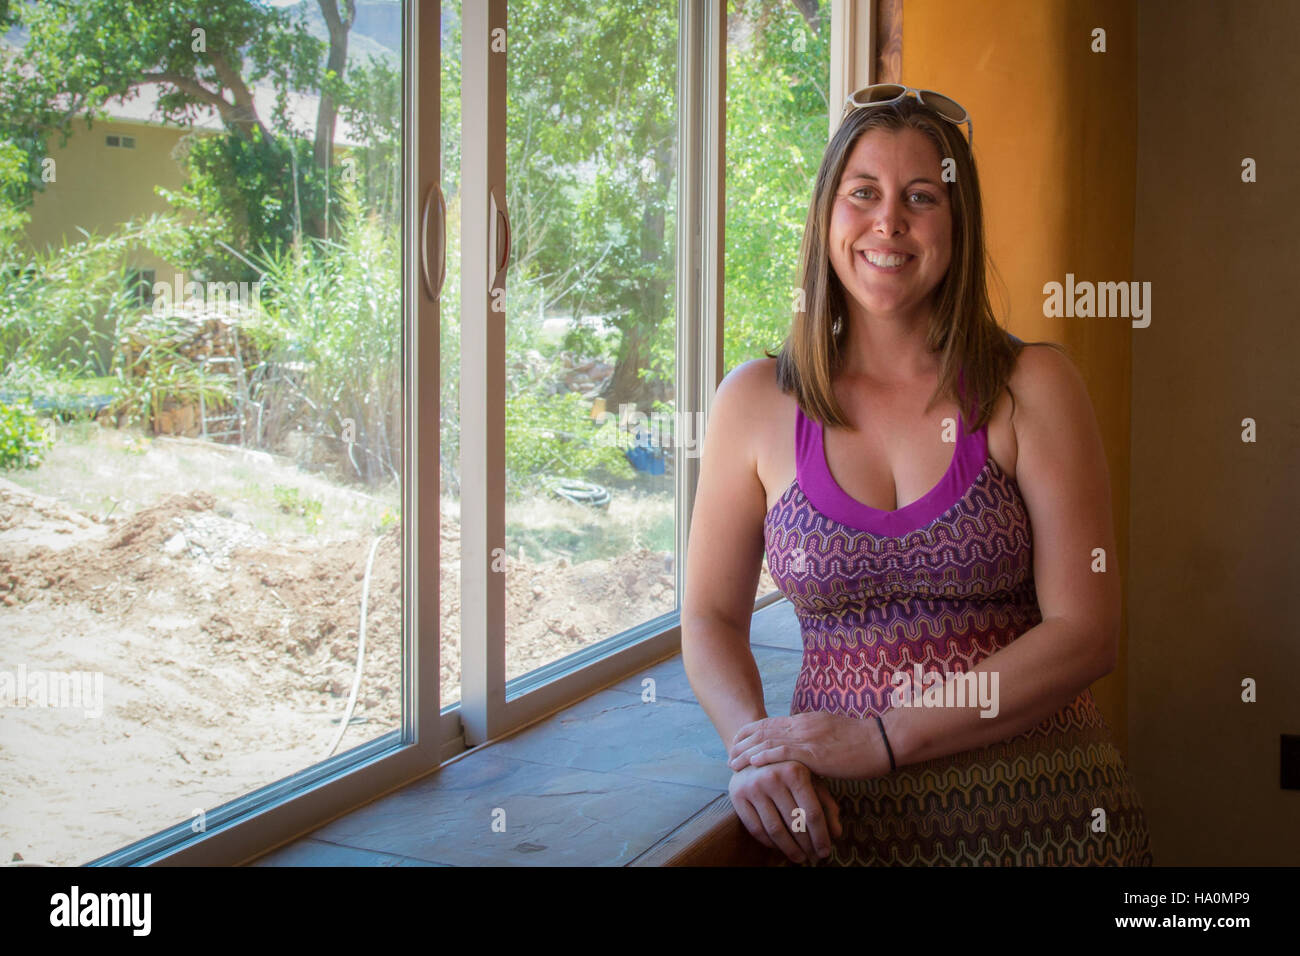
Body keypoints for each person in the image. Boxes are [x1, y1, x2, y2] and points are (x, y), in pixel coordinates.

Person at [681, 85, 1154, 866]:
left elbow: (1087, 633)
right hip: (843, 835)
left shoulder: (1031, 386)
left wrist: (885, 737)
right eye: (862, 193)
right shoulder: (756, 401)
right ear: (827, 216)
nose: (888, 222)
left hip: (1046, 826)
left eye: (921, 197)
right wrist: (753, 750)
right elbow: (709, 618)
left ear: (956, 225)